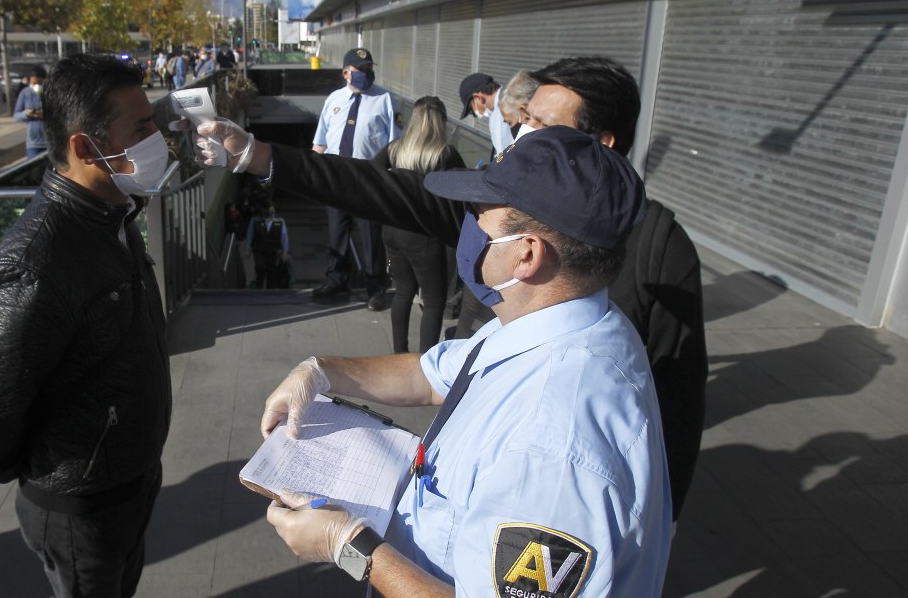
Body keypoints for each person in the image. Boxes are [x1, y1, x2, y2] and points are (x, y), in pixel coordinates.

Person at [194, 55, 707, 522]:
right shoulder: (500, 328)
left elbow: (677, 405)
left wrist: (350, 547)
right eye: (525, 117)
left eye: (543, 126)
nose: (521, 130)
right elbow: (387, 198)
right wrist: (258, 157)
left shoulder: (564, 430)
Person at [261, 126, 671, 596]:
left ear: (526, 254)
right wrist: (321, 371)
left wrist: (346, 544)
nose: (466, 226)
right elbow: (433, 374)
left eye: (479, 215)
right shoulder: (562, 320)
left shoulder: (547, 451)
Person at [0, 53, 172, 598]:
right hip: (82, 503)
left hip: (130, 478)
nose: (156, 138)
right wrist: (50, 474)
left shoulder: (112, 213)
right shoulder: (36, 261)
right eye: (141, 128)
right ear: (83, 146)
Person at [374, 96, 464, 353]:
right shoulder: (445, 153)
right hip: (424, 234)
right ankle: (426, 362)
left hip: (393, 230)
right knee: (434, 301)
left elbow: (372, 172)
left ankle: (399, 355)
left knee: (402, 292)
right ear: (441, 122)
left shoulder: (395, 149)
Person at [311, 47, 399, 311]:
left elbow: (395, 144)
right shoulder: (334, 99)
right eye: (362, 70)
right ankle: (337, 280)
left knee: (371, 237)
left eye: (370, 68)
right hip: (336, 177)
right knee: (337, 233)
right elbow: (320, 142)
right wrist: (314, 177)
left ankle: (376, 288)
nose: (367, 74)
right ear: (346, 73)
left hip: (368, 179)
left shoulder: (384, 99)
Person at [459, 72, 513, 156]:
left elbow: (504, 155)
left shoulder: (502, 110)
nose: (476, 115)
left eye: (471, 111)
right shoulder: (497, 110)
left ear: (478, 98)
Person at [244, 200, 290, 288]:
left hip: (273, 251)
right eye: (266, 210)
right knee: (260, 267)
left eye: (271, 210)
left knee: (271, 272)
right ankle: (259, 286)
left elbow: (284, 236)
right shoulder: (255, 220)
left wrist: (285, 251)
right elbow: (250, 234)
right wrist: (248, 248)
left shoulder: (280, 222)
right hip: (259, 249)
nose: (269, 213)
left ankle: (270, 291)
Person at [14, 64, 48, 158]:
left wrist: (45, 114)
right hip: (33, 144)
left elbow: (60, 114)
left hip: (50, 142)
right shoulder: (25, 93)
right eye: (33, 84)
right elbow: (16, 116)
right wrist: (26, 114)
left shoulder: (50, 93)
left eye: (39, 84)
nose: (36, 87)